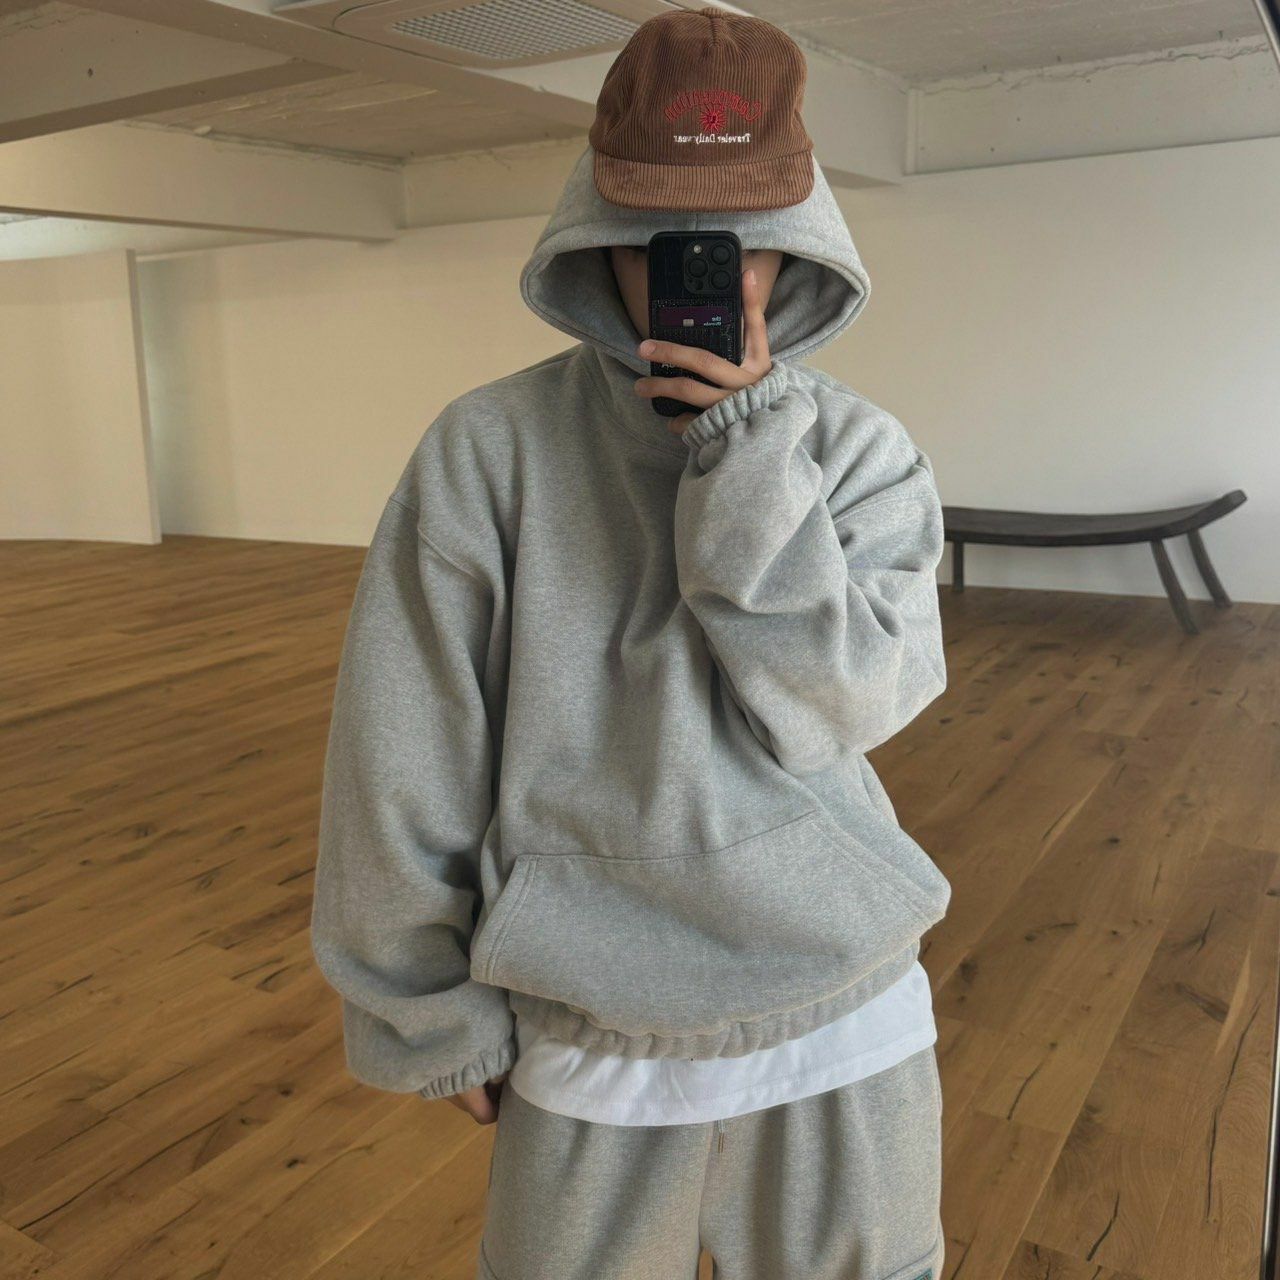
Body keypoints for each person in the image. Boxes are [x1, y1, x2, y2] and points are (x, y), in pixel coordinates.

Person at [309, 8, 949, 1280]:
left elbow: (841, 706)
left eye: (740, 238)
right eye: (662, 236)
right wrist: (423, 1005)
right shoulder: (487, 451)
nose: (705, 273)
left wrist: (747, 456)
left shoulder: (856, 450)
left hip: (841, 999)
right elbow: (400, 741)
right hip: (588, 1006)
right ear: (595, 229)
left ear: (796, 236)